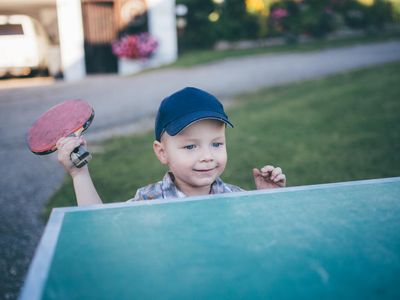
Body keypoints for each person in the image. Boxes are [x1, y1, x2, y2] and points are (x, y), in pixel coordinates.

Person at [57, 87, 286, 206]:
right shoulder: (148, 202)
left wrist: (268, 202)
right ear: (162, 152)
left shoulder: (238, 199)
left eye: (216, 144)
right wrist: (79, 173)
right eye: (190, 147)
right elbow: (101, 231)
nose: (207, 156)